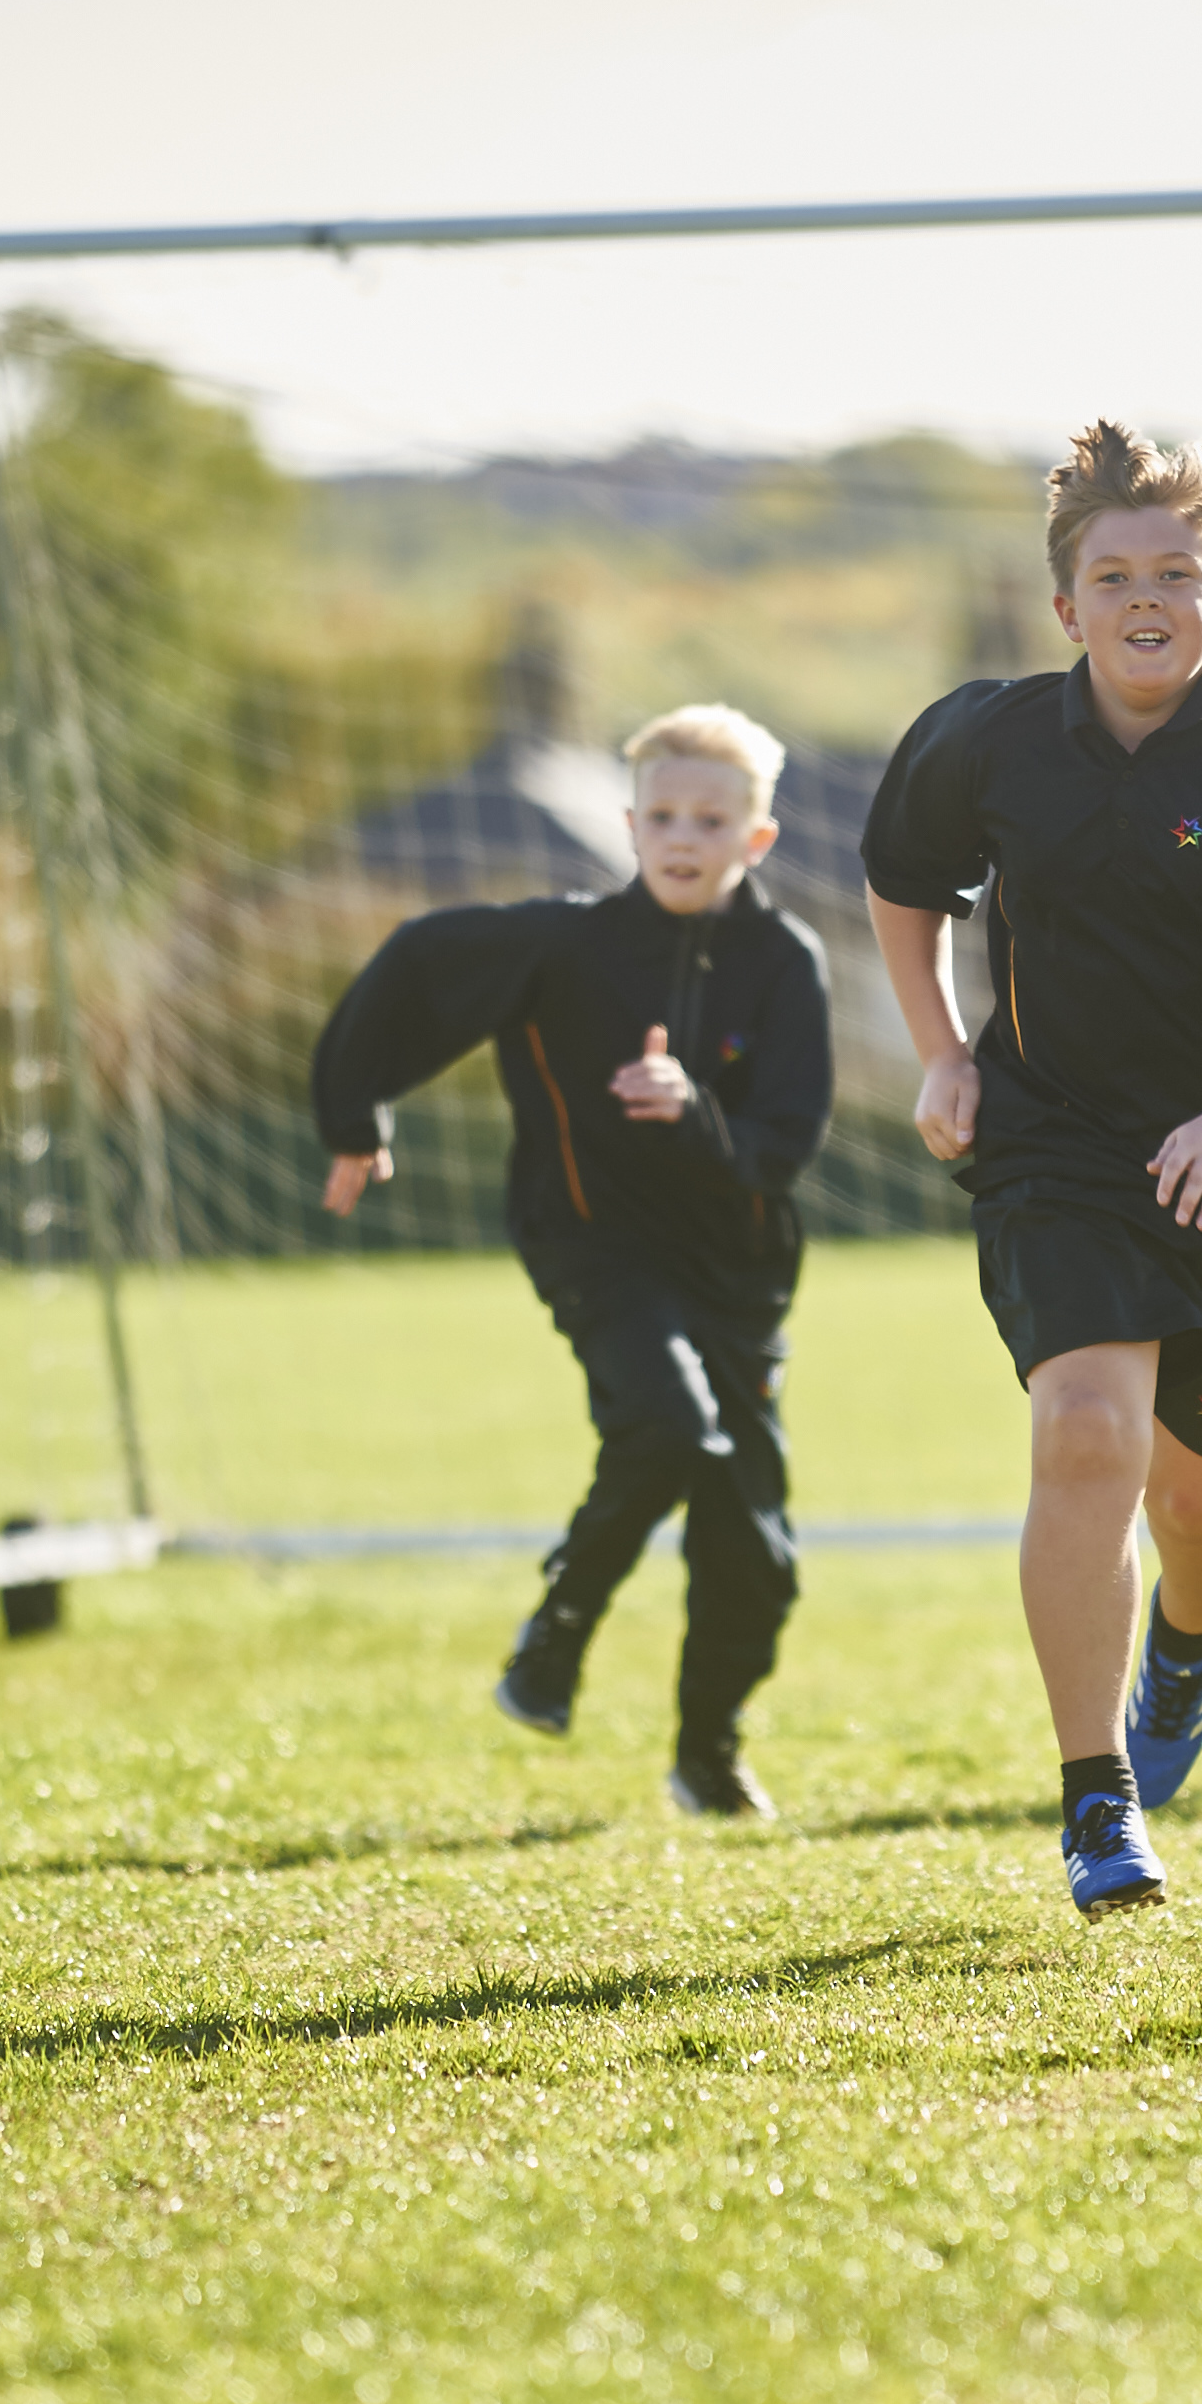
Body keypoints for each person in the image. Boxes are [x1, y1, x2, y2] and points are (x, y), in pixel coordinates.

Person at [864, 421, 1202, 1917]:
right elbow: (904, 883)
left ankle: (1185, 1649)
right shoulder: (987, 739)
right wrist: (940, 1052)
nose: (1143, 594)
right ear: (1065, 609)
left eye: (1178, 568)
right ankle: (1093, 1799)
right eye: (1112, 574)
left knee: (1194, 1499)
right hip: (1054, 1146)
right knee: (1086, 1440)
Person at [312, 704, 834, 1819]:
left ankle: (707, 1751)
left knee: (756, 1546)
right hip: (595, 1249)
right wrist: (352, 1114)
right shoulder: (562, 945)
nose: (682, 836)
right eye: (661, 816)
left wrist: (692, 1110)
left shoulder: (787, 965)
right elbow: (413, 963)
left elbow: (782, 1149)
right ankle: (558, 1633)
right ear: (630, 824)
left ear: (757, 839)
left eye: (710, 817)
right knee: (666, 1426)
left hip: (739, 1279)